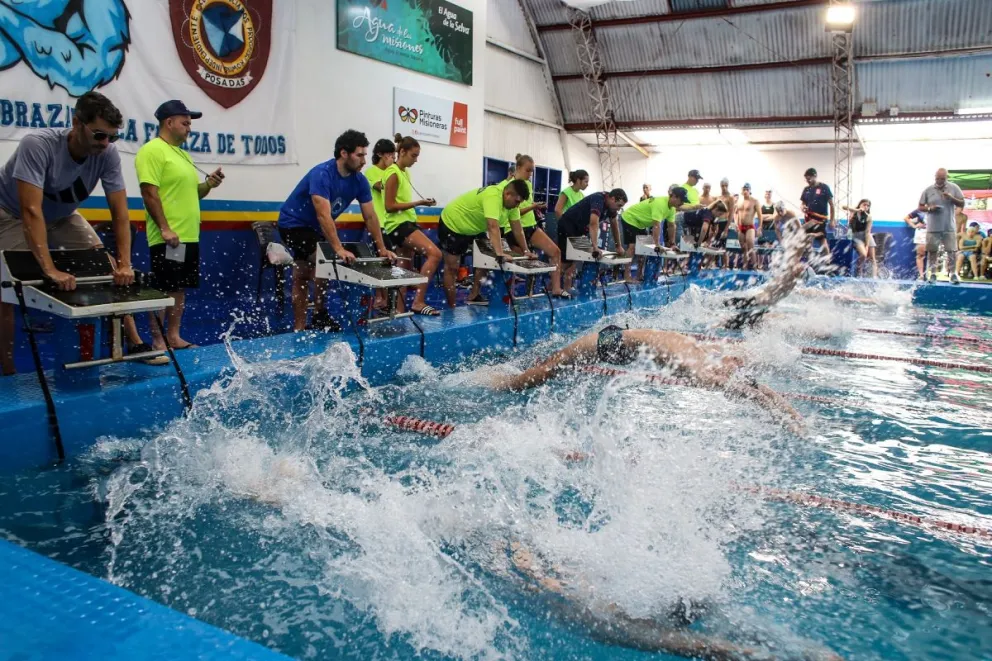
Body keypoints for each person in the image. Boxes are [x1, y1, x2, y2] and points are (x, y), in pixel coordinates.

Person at [0, 91, 136, 375]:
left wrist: (125, 264)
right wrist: (49, 268)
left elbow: (120, 214)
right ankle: (7, 369)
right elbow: (30, 211)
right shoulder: (37, 145)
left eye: (113, 137)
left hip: (61, 216)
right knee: (6, 289)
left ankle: (132, 343)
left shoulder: (108, 154)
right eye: (100, 135)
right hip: (9, 214)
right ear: (77, 123)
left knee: (107, 265)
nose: (106, 143)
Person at [491, 326, 804, 434]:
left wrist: (791, 415)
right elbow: (743, 390)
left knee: (548, 368)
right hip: (607, 344)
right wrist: (781, 417)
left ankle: (502, 377)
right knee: (538, 375)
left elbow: (753, 387)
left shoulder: (704, 352)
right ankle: (493, 381)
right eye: (732, 365)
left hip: (615, 340)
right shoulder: (698, 364)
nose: (731, 369)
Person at [276, 129, 397, 331]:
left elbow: (370, 216)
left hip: (315, 228)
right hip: (292, 225)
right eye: (359, 155)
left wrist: (382, 248)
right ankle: (312, 318)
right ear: (344, 153)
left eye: (365, 155)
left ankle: (313, 318)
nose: (364, 160)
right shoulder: (321, 174)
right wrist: (338, 249)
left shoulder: (359, 181)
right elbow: (323, 214)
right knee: (324, 263)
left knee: (304, 272)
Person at [135, 100, 224, 351]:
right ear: (169, 122)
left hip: (188, 236)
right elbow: (149, 193)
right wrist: (164, 228)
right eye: (185, 123)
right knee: (164, 288)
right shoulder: (152, 151)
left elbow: (192, 194)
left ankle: (173, 336)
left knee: (179, 288)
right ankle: (157, 340)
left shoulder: (182, 155)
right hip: (168, 237)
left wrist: (209, 185)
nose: (189, 128)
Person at [437, 180, 530, 307]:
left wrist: (526, 250)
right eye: (517, 202)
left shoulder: (512, 205)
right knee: (452, 268)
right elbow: (492, 226)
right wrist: (499, 253)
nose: (517, 206)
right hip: (453, 224)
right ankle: (451, 308)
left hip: (474, 228)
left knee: (485, 258)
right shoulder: (493, 196)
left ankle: (474, 295)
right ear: (508, 194)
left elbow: (517, 229)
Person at [382, 135, 442, 316]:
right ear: (402, 152)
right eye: (413, 155)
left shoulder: (404, 172)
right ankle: (418, 301)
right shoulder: (392, 173)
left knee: (404, 267)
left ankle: (399, 312)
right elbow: (389, 206)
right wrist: (419, 203)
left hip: (405, 223)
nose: (416, 160)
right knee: (435, 254)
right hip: (398, 225)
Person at [501, 155, 568, 297]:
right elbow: (515, 212)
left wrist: (534, 207)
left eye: (532, 171)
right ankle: (509, 296)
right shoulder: (508, 186)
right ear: (518, 168)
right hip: (512, 229)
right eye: (528, 170)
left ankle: (555, 289)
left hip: (531, 226)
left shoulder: (528, 185)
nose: (530, 174)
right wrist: (533, 206)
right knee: (522, 263)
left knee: (555, 252)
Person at [556, 189, 628, 291]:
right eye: (619, 205)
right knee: (567, 261)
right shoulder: (598, 199)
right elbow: (593, 223)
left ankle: (564, 287)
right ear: (612, 199)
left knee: (573, 259)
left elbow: (614, 225)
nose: (618, 209)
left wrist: (618, 246)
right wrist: (595, 247)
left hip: (578, 229)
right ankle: (554, 286)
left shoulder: (611, 208)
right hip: (567, 225)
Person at [618, 188, 686, 281]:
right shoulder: (661, 204)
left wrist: (672, 244)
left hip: (640, 223)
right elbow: (656, 226)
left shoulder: (672, 209)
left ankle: (639, 274)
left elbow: (671, 226)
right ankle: (627, 276)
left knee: (643, 248)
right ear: (674, 197)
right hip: (630, 218)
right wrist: (657, 245)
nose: (682, 203)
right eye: (681, 201)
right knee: (632, 247)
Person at [919, 167, 965, 284]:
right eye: (938, 178)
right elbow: (920, 206)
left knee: (951, 251)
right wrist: (930, 208)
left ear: (947, 178)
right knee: (932, 251)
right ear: (935, 177)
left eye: (942, 179)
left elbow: (962, 203)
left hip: (949, 226)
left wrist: (951, 198)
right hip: (933, 226)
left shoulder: (954, 188)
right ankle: (933, 274)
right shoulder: (928, 190)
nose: (940, 181)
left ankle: (953, 274)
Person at [799, 168, 834, 266]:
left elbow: (831, 205)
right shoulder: (806, 190)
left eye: (809, 179)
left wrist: (832, 220)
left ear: (815, 176)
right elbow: (802, 204)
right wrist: (803, 208)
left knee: (822, 241)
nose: (808, 181)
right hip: (808, 220)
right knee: (807, 242)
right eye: (806, 179)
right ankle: (811, 265)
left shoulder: (824, 187)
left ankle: (828, 264)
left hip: (821, 220)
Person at [844, 199, 877, 278]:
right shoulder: (854, 212)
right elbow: (843, 207)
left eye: (868, 206)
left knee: (872, 257)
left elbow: (867, 232)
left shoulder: (869, 217)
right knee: (863, 254)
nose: (866, 207)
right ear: (860, 204)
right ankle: (859, 271)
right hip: (856, 236)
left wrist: (867, 245)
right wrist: (857, 210)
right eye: (864, 204)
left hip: (867, 236)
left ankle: (873, 276)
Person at [734, 184, 760, 270]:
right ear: (742, 191)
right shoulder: (739, 202)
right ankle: (745, 267)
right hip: (741, 227)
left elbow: (760, 215)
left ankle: (755, 267)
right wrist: (736, 224)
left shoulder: (755, 201)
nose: (745, 191)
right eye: (744, 189)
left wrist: (760, 227)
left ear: (750, 191)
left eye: (747, 189)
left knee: (750, 246)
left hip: (750, 227)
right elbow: (735, 213)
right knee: (743, 248)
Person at [903, 208, 927, 280]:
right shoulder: (919, 210)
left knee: (933, 254)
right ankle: (921, 275)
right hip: (921, 233)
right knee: (920, 254)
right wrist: (914, 225)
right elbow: (906, 218)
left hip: (934, 233)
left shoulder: (937, 209)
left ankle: (933, 275)